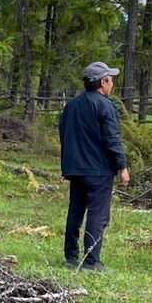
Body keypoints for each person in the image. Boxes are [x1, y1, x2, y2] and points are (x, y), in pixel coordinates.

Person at [59, 62, 130, 271]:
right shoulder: (105, 106)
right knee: (98, 215)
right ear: (102, 82)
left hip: (75, 168)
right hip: (98, 170)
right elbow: (112, 139)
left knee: (75, 212)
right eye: (110, 79)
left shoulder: (71, 105)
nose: (113, 83)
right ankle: (91, 261)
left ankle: (71, 257)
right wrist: (122, 166)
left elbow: (63, 132)